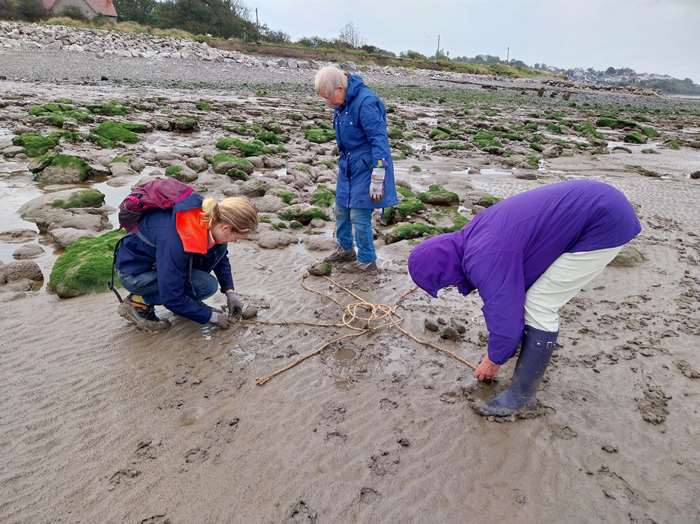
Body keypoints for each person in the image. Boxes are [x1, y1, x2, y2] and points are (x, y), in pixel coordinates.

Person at [407, 180, 641, 417]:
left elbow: (505, 313)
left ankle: (521, 396)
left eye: (444, 282)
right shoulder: (472, 235)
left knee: (540, 304)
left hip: (603, 222)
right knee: (531, 296)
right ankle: (529, 351)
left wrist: (493, 360)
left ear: (444, 269)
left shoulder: (483, 256)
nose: (452, 285)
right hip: (599, 202)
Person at [115, 192, 258, 331]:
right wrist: (209, 316)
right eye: (236, 237)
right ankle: (138, 302)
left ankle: (187, 305)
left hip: (160, 262)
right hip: (135, 273)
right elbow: (171, 296)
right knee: (205, 285)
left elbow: (220, 257)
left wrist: (229, 291)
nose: (235, 241)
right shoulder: (177, 239)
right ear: (225, 228)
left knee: (219, 248)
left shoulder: (210, 218)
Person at [314, 65, 398, 271]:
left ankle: (367, 260)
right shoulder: (341, 105)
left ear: (340, 89)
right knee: (341, 209)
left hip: (367, 166)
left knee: (359, 216)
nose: (327, 103)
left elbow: (379, 140)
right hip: (348, 165)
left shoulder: (366, 102)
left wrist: (378, 173)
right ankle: (346, 249)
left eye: (328, 97)